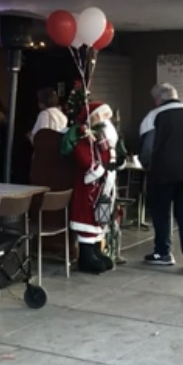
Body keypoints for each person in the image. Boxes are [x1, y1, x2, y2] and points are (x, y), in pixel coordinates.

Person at [138, 83, 183, 272]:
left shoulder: (153, 116)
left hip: (163, 172)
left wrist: (146, 168)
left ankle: (163, 252)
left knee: (161, 213)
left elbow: (147, 150)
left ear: (157, 99)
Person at [62, 100, 126, 273]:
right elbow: (85, 159)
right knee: (88, 216)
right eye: (104, 116)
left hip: (105, 184)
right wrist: (99, 169)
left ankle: (97, 250)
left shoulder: (105, 139)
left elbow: (111, 156)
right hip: (91, 185)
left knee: (101, 215)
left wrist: (117, 162)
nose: (107, 120)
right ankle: (86, 256)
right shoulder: (85, 137)